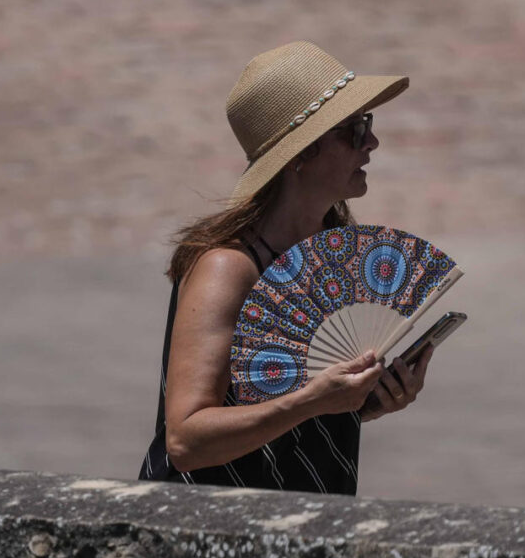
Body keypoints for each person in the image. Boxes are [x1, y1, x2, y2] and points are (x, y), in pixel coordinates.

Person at [138, 41, 435, 494]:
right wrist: (310, 402)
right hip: (215, 535)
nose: (371, 142)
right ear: (299, 155)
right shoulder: (229, 268)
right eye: (353, 130)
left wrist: (365, 401)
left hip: (309, 527)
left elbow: (299, 418)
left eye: (367, 124)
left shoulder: (331, 257)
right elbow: (185, 439)